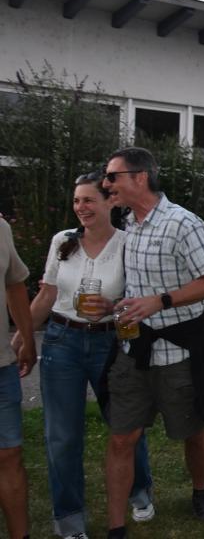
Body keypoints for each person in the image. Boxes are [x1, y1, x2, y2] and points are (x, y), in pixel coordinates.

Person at [13, 172, 153, 538]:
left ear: (110, 202)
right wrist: (20, 339)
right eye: (76, 200)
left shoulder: (129, 243)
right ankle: (70, 521)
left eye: (89, 199)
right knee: (62, 437)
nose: (81, 207)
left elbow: (142, 299)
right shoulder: (63, 241)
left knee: (126, 427)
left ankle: (139, 490)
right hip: (62, 343)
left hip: (112, 343)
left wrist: (113, 307)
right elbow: (46, 295)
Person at [101, 147, 204, 538]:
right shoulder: (128, 223)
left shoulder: (182, 223)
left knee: (193, 430)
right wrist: (115, 305)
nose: (106, 184)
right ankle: (116, 526)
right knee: (121, 437)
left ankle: (201, 492)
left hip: (179, 352)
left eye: (113, 177)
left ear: (140, 177)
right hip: (133, 349)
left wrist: (161, 301)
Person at [0, 218, 35, 539]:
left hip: (1, 367)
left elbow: (14, 285)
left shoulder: (0, 229)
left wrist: (27, 338)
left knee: (9, 455)